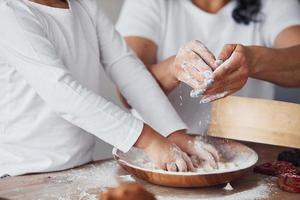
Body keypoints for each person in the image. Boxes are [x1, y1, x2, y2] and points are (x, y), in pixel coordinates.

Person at [0, 0, 220, 177]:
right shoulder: (9, 13)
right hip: (22, 172)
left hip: (78, 167)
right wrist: (149, 139)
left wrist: (173, 133)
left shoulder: (84, 6)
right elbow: (63, 93)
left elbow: (128, 69)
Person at [117, 0, 300, 134]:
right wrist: (173, 69)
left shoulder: (272, 4)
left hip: (245, 155)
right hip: (159, 152)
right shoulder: (149, 4)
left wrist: (252, 61)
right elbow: (126, 90)